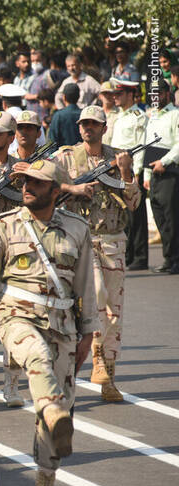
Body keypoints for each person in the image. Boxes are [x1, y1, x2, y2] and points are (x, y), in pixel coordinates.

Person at [0, 158, 97, 486]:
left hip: (63, 325)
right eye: (25, 182)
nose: (27, 187)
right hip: (16, 316)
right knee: (36, 359)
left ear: (55, 191)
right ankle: (51, 408)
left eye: (36, 183)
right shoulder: (3, 226)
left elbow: (86, 284)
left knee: (59, 413)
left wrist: (88, 334)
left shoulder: (77, 229)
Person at [55, 104, 139, 403]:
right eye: (84, 124)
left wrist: (126, 172)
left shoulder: (118, 157)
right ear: (79, 127)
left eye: (94, 124)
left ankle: (107, 373)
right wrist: (73, 189)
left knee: (115, 309)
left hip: (113, 240)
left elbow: (134, 203)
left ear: (104, 128)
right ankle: (90, 356)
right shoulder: (66, 157)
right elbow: (47, 187)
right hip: (81, 239)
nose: (88, 128)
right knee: (96, 297)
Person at [109, 78, 148, 270]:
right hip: (116, 168)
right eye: (115, 94)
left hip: (131, 169)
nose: (115, 97)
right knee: (123, 215)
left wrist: (138, 173)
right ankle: (129, 255)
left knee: (136, 215)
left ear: (131, 94)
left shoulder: (138, 117)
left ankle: (140, 257)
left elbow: (141, 146)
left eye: (119, 93)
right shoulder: (120, 116)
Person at [144, 79, 179, 274]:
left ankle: (176, 260)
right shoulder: (153, 116)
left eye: (158, 93)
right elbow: (149, 144)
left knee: (172, 218)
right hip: (154, 172)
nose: (155, 97)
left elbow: (178, 144)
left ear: (167, 93)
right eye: (152, 94)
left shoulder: (175, 114)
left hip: (170, 171)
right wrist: (146, 173)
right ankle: (168, 257)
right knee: (160, 218)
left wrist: (164, 162)